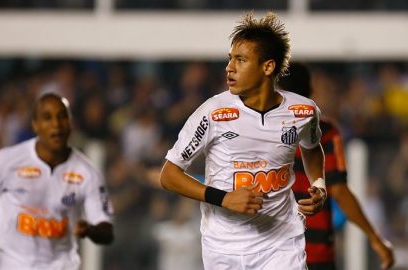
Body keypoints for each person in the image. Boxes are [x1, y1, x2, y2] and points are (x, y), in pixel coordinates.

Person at [159, 12, 327, 270]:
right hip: (223, 246)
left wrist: (319, 184)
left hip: (281, 241)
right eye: (230, 59)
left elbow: (312, 149)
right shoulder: (213, 112)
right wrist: (223, 198)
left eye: (241, 60)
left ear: (268, 67)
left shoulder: (303, 111)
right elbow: (169, 175)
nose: (230, 67)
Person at [0, 93, 114, 270]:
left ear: (71, 123)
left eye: (62, 117)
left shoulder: (87, 174)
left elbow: (106, 231)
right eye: (47, 117)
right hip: (9, 262)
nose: (56, 124)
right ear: (35, 125)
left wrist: (91, 230)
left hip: (60, 265)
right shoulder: (9, 159)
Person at [278, 62, 394, 270]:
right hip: (316, 252)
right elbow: (339, 190)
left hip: (272, 252)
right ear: (309, 92)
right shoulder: (326, 132)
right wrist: (375, 237)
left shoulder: (259, 132)